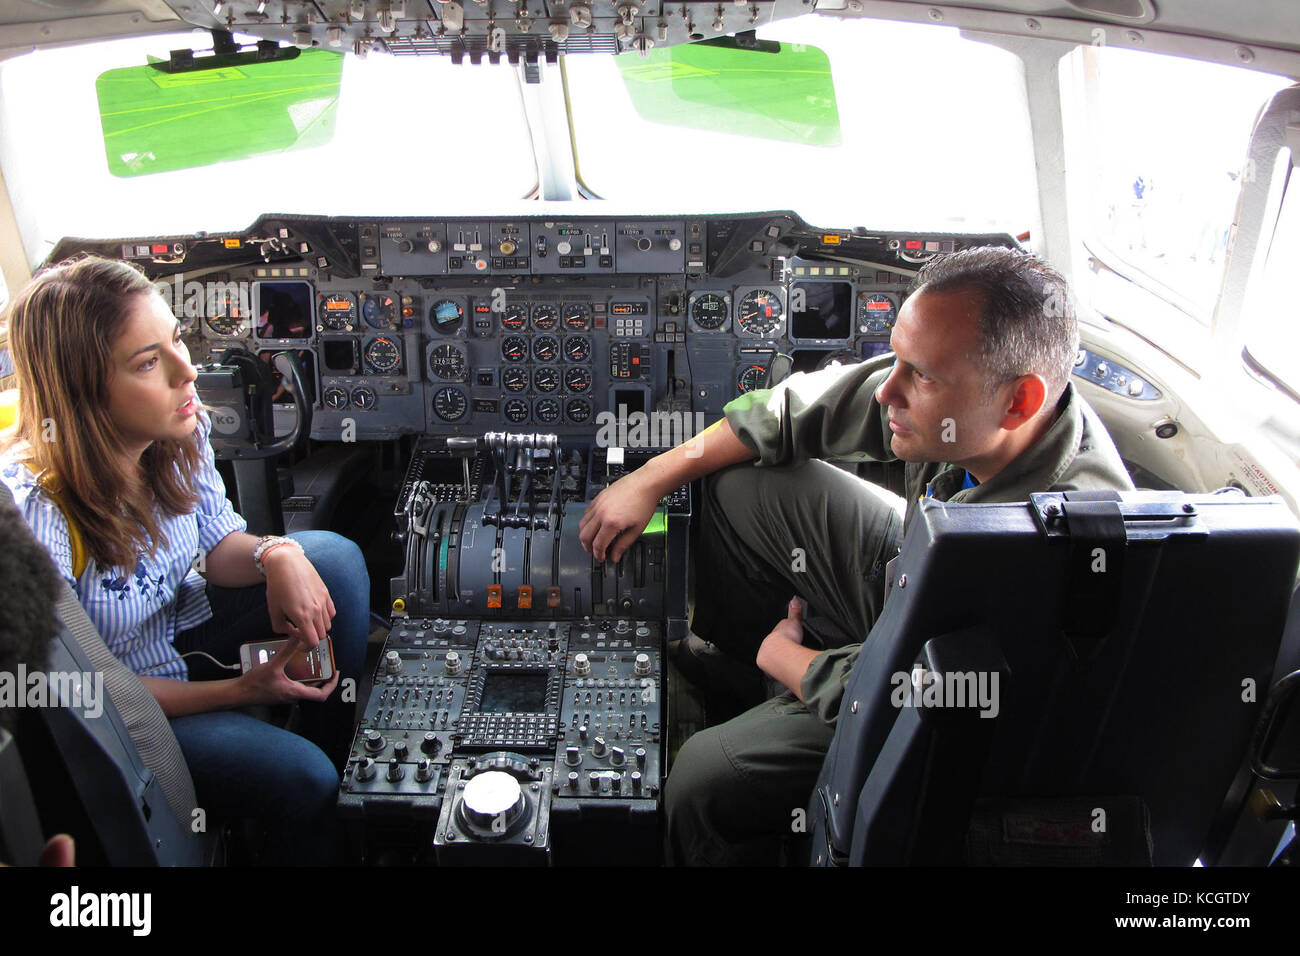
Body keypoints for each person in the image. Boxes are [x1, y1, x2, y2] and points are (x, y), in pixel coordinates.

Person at [577, 246, 1136, 864]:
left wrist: (791, 660)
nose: (886, 390)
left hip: (950, 709)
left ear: (1019, 401)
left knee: (703, 781)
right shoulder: (974, 411)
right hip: (920, 595)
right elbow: (789, 411)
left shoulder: (1048, 550)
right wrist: (651, 476)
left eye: (919, 375)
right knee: (742, 479)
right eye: (896, 359)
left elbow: (925, 695)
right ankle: (740, 680)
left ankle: (771, 682)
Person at [0, 255, 369, 865]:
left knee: (331, 560)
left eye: (176, 339)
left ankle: (332, 743)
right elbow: (88, 696)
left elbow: (218, 548)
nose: (186, 372)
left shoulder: (176, 432)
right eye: (148, 363)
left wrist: (278, 552)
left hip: (180, 627)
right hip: (133, 706)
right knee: (303, 779)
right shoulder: (37, 517)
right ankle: (299, 818)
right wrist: (237, 691)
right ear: (84, 392)